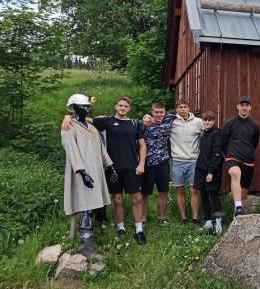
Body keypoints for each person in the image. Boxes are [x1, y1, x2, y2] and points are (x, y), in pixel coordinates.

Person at [64, 97, 148, 245]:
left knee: (137, 198)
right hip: (114, 167)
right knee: (117, 200)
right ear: (116, 106)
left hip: (132, 167)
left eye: (126, 106)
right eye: (120, 105)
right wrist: (68, 116)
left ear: (129, 108)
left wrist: (141, 164)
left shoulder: (135, 123)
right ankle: (120, 228)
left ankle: (139, 230)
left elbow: (142, 145)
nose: (122, 108)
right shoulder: (106, 122)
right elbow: (83, 118)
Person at [61, 94, 117, 257]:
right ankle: (86, 244)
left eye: (88, 106)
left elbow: (101, 149)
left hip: (96, 171)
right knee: (86, 206)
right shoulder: (69, 127)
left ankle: (87, 241)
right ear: (75, 107)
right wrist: (82, 172)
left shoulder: (92, 128)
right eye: (83, 106)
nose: (87, 108)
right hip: (83, 173)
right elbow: (71, 151)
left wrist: (110, 166)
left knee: (92, 206)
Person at [222, 96, 260, 216]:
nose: (244, 108)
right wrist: (227, 155)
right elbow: (223, 141)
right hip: (232, 157)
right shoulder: (229, 123)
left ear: (250, 108)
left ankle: (237, 218)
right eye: (242, 105)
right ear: (237, 107)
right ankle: (238, 205)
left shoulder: (255, 125)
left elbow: (255, 143)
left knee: (243, 194)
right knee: (235, 173)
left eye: (246, 105)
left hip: (248, 161)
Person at [141, 102, 175, 224]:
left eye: (161, 112)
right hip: (147, 162)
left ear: (165, 112)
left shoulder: (169, 119)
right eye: (156, 112)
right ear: (152, 112)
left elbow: (183, 114)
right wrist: (145, 117)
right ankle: (143, 219)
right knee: (144, 193)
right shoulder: (145, 124)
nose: (159, 114)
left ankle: (161, 218)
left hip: (163, 161)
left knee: (163, 191)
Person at [170, 100, 204, 224]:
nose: (183, 109)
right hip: (177, 161)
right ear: (176, 109)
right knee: (179, 190)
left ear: (189, 108)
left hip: (193, 161)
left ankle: (195, 218)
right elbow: (156, 120)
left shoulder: (198, 122)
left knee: (194, 190)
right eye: (180, 107)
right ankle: (183, 217)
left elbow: (207, 133)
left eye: (185, 107)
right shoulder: (171, 121)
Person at [194, 111, 224, 233]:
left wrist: (211, 172)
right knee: (204, 195)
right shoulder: (203, 133)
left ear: (213, 121)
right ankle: (208, 222)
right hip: (201, 169)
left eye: (210, 120)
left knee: (213, 197)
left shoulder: (216, 134)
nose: (207, 122)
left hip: (212, 171)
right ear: (203, 121)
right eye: (205, 120)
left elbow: (217, 154)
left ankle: (218, 224)